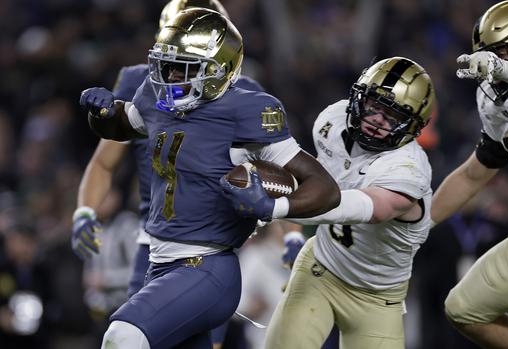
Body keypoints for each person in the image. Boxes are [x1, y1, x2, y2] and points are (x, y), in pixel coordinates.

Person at [79, 8, 340, 349]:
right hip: (159, 262)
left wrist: (275, 208)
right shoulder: (156, 98)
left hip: (206, 266)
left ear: (220, 69)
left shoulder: (246, 111)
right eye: (166, 65)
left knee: (122, 337)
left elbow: (325, 189)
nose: (170, 77)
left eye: (183, 68)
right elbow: (123, 125)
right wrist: (102, 113)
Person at [71, 2, 264, 348]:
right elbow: (104, 161)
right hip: (152, 242)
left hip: (211, 247)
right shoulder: (140, 83)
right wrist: (85, 209)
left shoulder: (245, 97)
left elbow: (278, 170)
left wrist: (288, 227)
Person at [248, 56, 435, 349]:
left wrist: (278, 207)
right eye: (374, 106)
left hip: (377, 297)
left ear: (411, 127)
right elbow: (312, 183)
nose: (377, 120)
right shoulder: (333, 121)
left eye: (393, 116)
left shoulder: (409, 169)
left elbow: (359, 208)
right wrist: (292, 231)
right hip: (320, 268)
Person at [430, 1, 508, 348]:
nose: (494, 64)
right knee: (463, 308)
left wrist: (504, 68)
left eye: (502, 51)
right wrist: (419, 225)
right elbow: (476, 172)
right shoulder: (494, 100)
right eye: (489, 56)